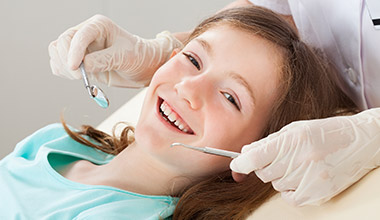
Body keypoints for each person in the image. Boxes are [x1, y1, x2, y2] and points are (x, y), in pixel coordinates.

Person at [4, 6, 357, 219]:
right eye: (192, 59)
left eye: (230, 97)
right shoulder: (53, 142)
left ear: (257, 154)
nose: (189, 88)